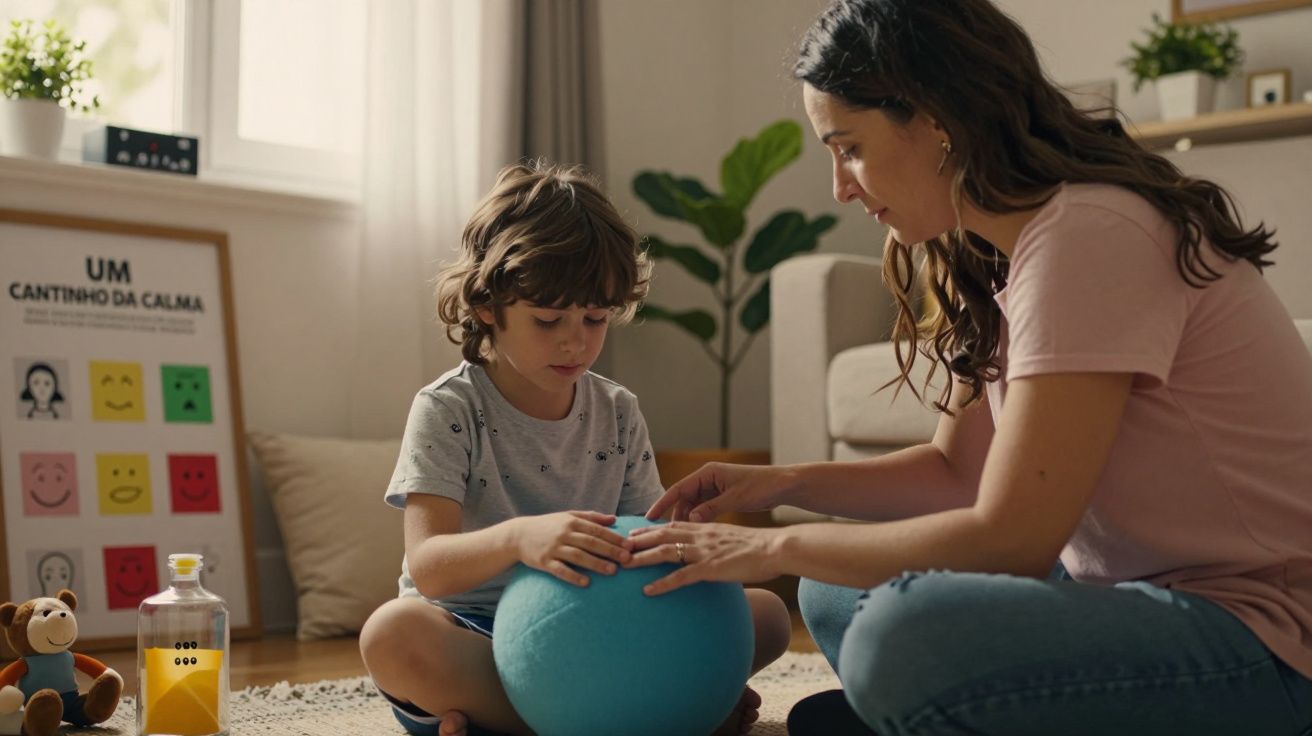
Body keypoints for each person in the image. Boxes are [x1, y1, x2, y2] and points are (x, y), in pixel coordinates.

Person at [626, 1, 1312, 733]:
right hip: (1137, 596)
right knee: (835, 594)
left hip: (1264, 640)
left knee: (899, 632)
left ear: (934, 119)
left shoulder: (1091, 234)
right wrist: (780, 484)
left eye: (848, 146)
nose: (840, 187)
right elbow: (955, 476)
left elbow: (1012, 541)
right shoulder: (998, 252)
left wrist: (770, 546)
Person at [359, 160, 791, 736]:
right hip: (475, 630)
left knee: (764, 614)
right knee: (392, 636)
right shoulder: (448, 408)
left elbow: (649, 531)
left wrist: (694, 559)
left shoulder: (617, 410)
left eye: (595, 318)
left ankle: (540, 718)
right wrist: (520, 540)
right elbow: (429, 567)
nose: (575, 340)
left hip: (594, 627)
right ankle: (633, 715)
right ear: (487, 306)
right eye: (547, 319)